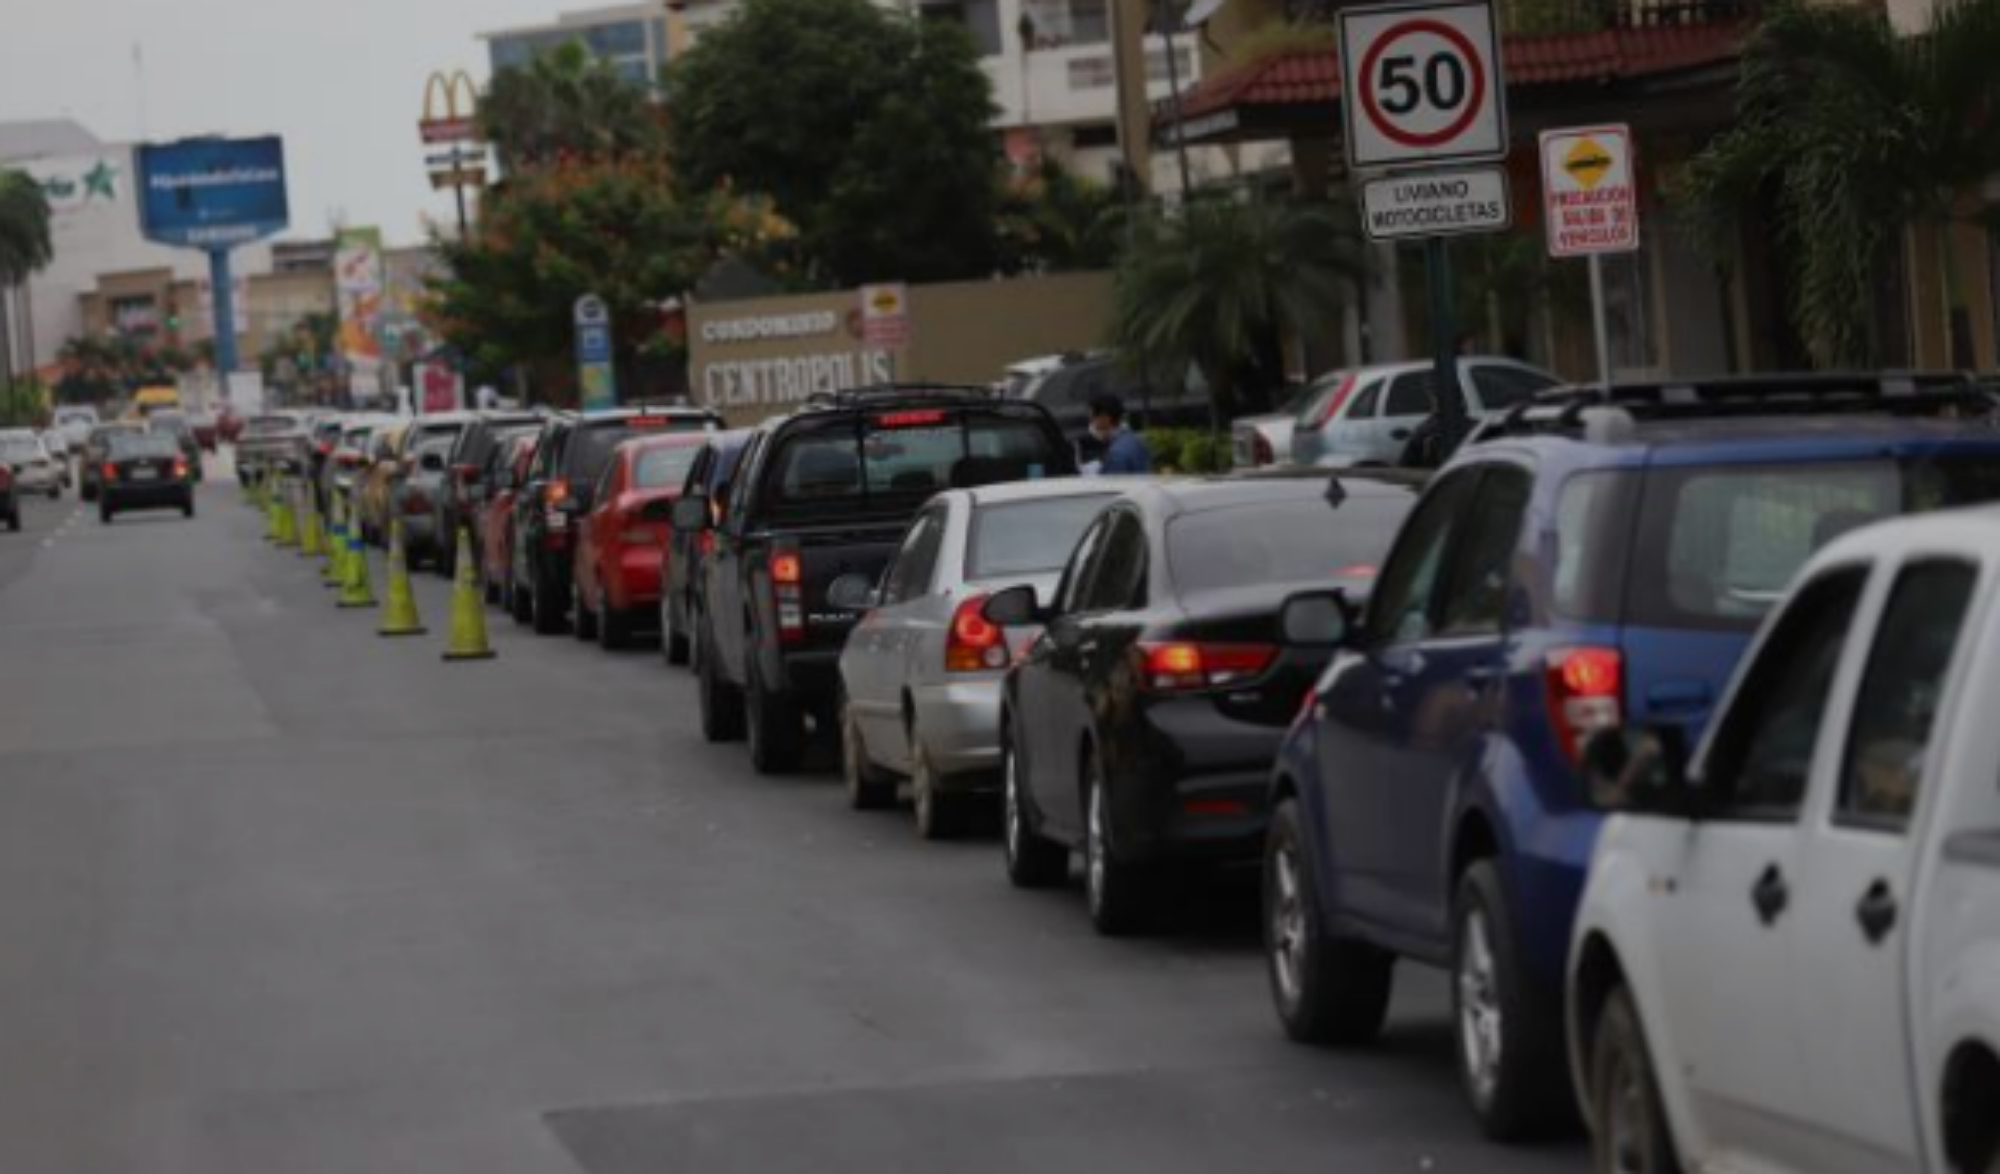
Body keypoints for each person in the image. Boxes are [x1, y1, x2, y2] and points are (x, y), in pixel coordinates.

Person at [1088, 394, 1153, 475]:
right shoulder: (1136, 440)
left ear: (1105, 418)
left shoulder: (1116, 454)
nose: (1092, 423)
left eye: (1093, 418)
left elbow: (1109, 485)